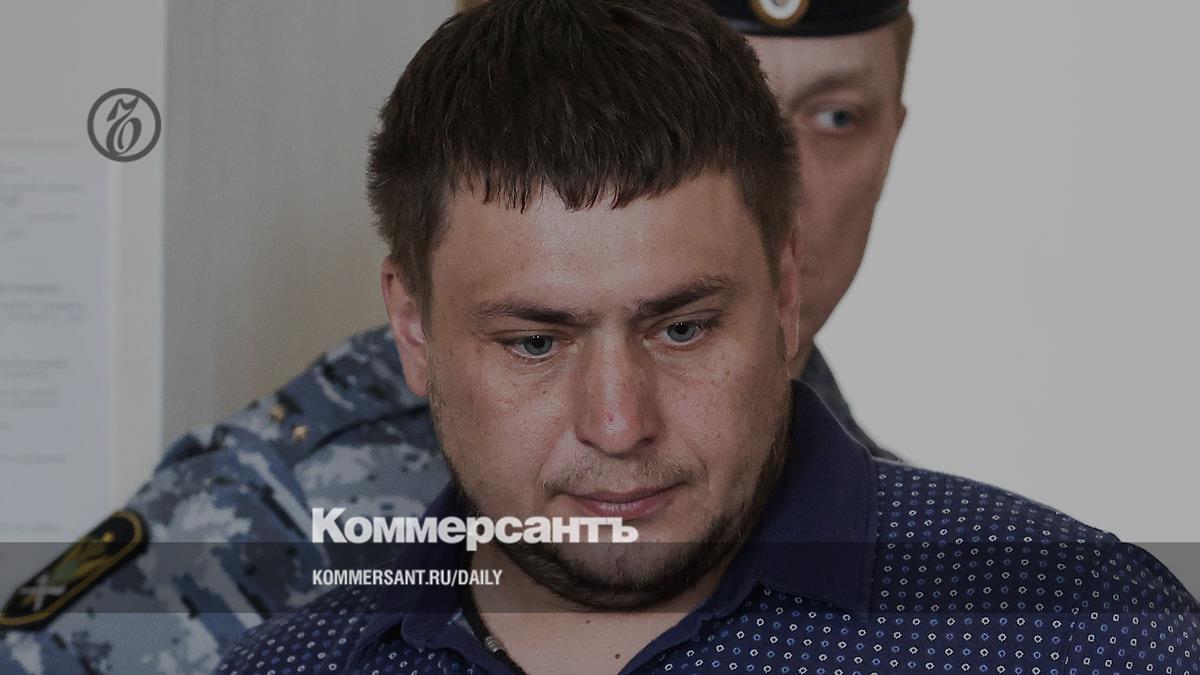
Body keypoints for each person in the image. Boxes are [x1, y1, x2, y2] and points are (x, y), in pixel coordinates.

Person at [218, 1, 1200, 672]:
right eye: (535, 344)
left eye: (682, 328)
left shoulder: (1076, 630)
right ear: (413, 328)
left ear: (782, 289)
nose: (617, 424)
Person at [0, 0, 914, 672]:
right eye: (691, 113)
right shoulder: (291, 493)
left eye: (837, 116)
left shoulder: (903, 525)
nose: (784, 178)